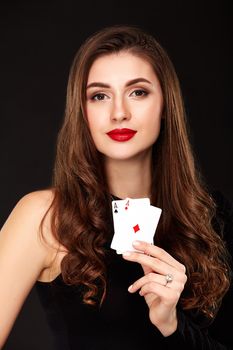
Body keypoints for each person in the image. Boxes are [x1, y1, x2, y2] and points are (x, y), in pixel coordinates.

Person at [0, 24, 232, 350]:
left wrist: (170, 323)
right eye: (100, 96)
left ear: (166, 105)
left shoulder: (212, 216)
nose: (119, 113)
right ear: (83, 113)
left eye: (137, 92)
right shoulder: (45, 215)